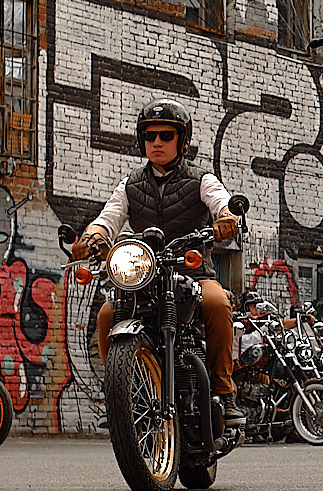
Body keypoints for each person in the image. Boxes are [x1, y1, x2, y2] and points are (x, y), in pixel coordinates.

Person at [79, 99, 245, 424]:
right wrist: (93, 238)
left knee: (217, 303)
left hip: (193, 272)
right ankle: (116, 392)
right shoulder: (130, 185)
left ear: (181, 140)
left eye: (166, 135)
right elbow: (108, 218)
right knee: (106, 314)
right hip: (146, 275)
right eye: (150, 135)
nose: (157, 142)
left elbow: (222, 203)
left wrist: (226, 219)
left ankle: (225, 390)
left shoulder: (201, 179)